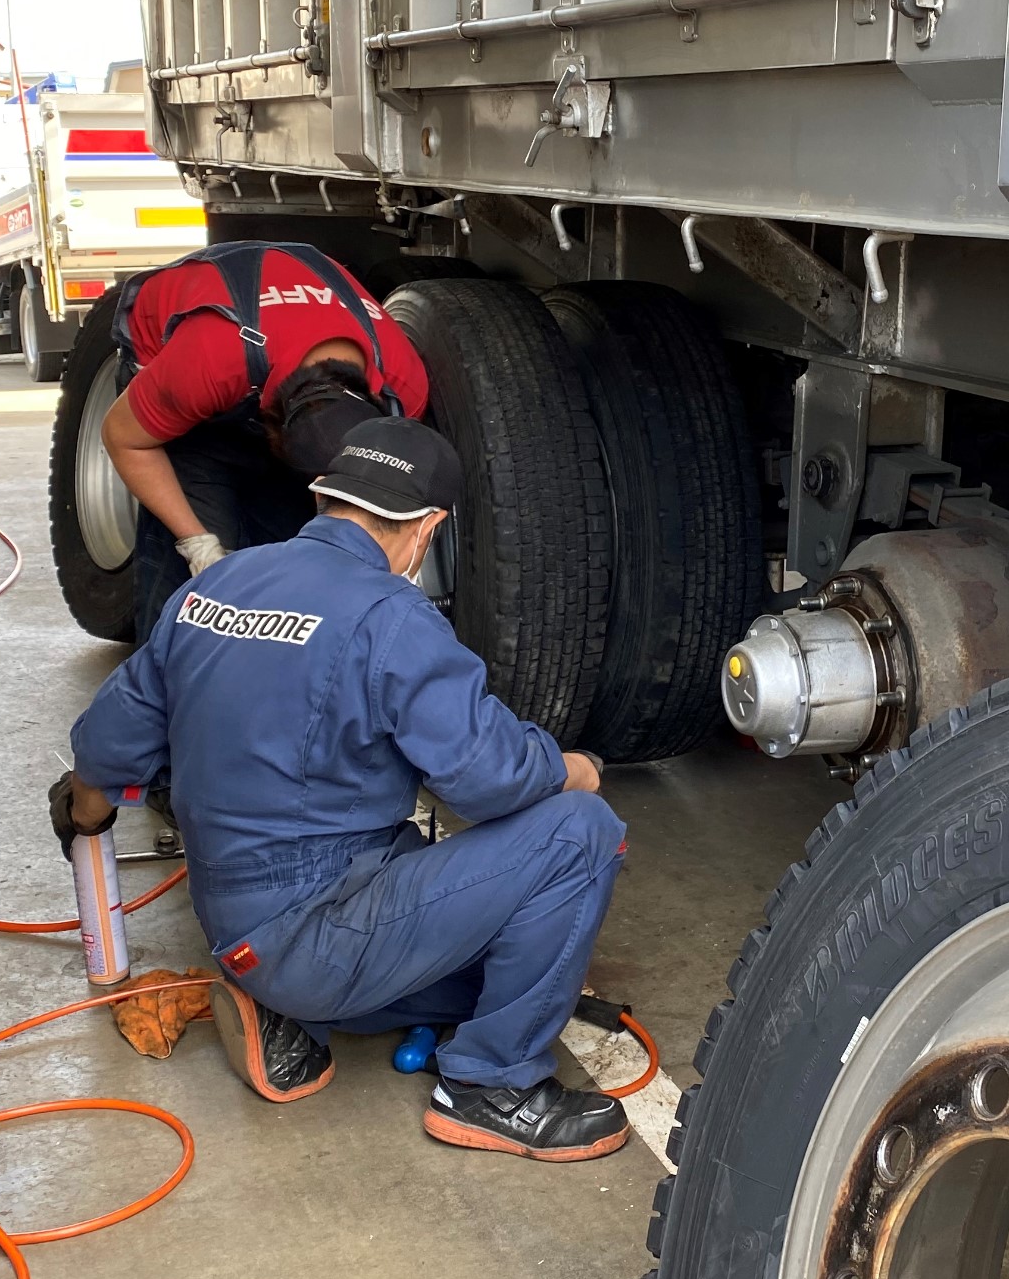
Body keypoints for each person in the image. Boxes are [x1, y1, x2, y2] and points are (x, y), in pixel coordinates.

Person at [51, 417, 633, 1162]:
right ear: (427, 529)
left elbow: (107, 744)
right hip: (319, 935)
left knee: (510, 966)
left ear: (324, 497)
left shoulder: (219, 583)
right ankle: (491, 1089)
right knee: (580, 834)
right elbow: (489, 780)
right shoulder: (394, 617)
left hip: (234, 928)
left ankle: (284, 1011)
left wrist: (86, 814)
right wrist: (573, 768)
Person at [101, 241, 432, 641]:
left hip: (266, 354)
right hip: (190, 371)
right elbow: (124, 438)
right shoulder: (208, 360)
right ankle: (170, 666)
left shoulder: (404, 384)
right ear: (271, 425)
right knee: (196, 592)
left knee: (293, 558)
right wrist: (198, 543)